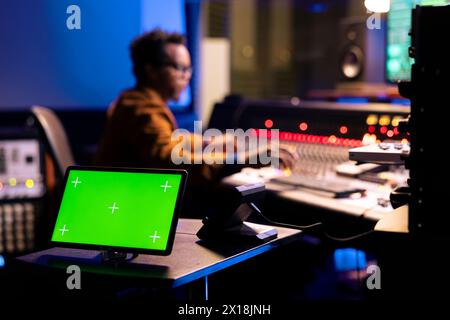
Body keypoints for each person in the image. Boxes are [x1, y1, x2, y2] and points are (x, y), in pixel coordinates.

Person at [95, 29, 292, 216]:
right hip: (132, 212)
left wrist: (210, 142)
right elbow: (171, 161)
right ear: (151, 70)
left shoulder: (136, 101)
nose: (187, 76)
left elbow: (169, 140)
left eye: (189, 69)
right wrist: (244, 159)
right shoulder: (141, 110)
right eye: (180, 68)